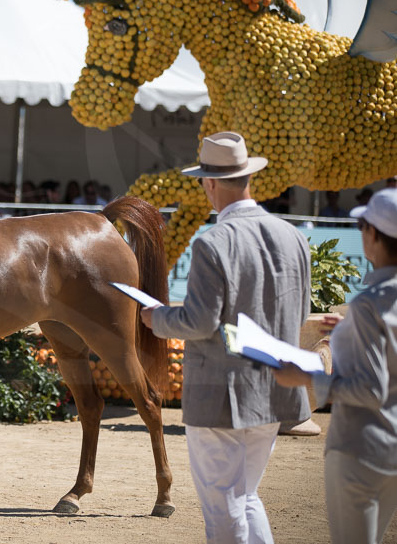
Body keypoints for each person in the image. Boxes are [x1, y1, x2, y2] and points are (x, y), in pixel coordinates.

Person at [140, 131, 311, 544]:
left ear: (210, 184)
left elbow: (199, 323)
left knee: (224, 508)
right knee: (246, 497)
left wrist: (156, 317)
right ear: (248, 177)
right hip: (275, 391)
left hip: (221, 396)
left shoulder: (214, 242)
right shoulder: (293, 236)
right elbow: (301, 313)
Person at [274, 188, 397, 544]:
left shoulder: (370, 304)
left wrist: (307, 378)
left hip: (361, 448)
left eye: (363, 226)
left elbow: (370, 388)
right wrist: (350, 330)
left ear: (374, 235)